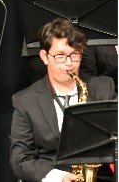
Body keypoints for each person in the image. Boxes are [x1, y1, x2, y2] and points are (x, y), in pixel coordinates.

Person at [10, 18, 117, 182]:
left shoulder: (104, 88)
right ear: (44, 57)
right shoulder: (25, 101)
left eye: (74, 55)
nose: (69, 64)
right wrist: (58, 177)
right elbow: (20, 160)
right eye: (60, 56)